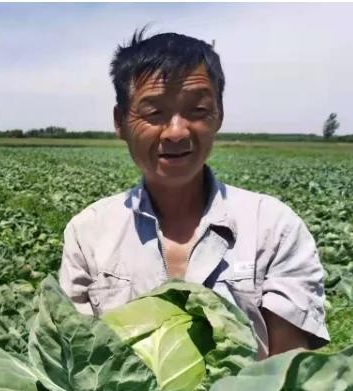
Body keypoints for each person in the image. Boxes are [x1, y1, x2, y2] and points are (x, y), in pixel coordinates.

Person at [59, 30, 329, 358]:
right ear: (120, 122)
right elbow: (80, 360)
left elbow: (285, 373)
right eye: (154, 113)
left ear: (219, 115)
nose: (176, 132)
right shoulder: (88, 233)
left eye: (197, 110)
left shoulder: (273, 228)